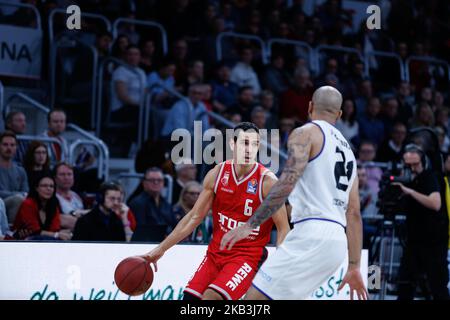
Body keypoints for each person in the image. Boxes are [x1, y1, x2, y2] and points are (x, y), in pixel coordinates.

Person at [221, 87, 368, 300]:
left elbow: (287, 182)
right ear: (339, 115)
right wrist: (354, 265)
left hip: (311, 233)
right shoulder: (349, 153)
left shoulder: (305, 133)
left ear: (310, 106)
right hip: (337, 243)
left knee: (252, 301)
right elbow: (354, 213)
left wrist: (249, 225)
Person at [141, 122, 290, 300]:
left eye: (255, 143)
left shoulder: (267, 181)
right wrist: (161, 249)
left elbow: (283, 229)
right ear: (232, 144)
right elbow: (194, 218)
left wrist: (281, 266)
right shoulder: (218, 174)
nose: (250, 149)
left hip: (247, 257)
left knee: (211, 298)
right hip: (215, 254)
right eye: (244, 142)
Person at [394, 145, 449, 300]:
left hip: (433, 243)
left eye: (415, 164)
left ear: (423, 162)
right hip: (414, 241)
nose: (411, 168)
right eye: (408, 165)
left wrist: (409, 192)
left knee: (437, 287)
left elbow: (435, 203)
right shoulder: (407, 181)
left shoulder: (429, 176)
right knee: (405, 284)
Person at [13, 174, 71, 241]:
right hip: (21, 242)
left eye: (51, 186)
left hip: (45, 240)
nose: (48, 189)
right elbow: (34, 230)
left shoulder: (53, 205)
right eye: (44, 186)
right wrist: (56, 234)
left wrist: (59, 233)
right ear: (36, 188)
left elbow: (55, 228)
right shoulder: (28, 204)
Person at [128, 168, 174, 239]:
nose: (156, 182)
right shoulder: (137, 203)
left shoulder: (166, 204)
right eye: (152, 180)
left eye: (159, 180)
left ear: (163, 183)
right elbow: (141, 230)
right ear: (144, 183)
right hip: (148, 244)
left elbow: (173, 224)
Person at [0, 132, 28, 224]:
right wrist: (17, 195)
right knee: (18, 199)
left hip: (17, 202)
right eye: (5, 145)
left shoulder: (21, 170)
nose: (9, 148)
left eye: (12, 145)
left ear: (16, 147)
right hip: (1, 203)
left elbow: (26, 192)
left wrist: (20, 195)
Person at [54, 163, 89, 231]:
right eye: (62, 174)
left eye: (69, 174)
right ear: (55, 178)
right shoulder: (52, 197)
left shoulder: (77, 196)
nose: (66, 178)